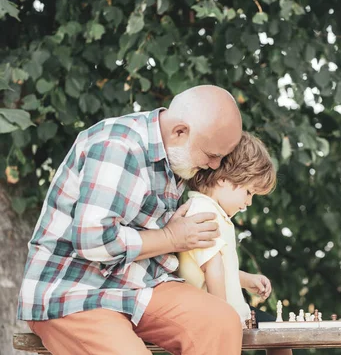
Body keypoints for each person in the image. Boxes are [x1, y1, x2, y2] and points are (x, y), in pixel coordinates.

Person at [17, 85, 245, 354]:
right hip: (73, 291)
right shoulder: (119, 145)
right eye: (212, 155)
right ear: (180, 131)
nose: (215, 166)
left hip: (139, 286)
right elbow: (92, 241)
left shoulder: (177, 155)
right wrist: (172, 238)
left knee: (221, 322)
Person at [179, 131, 292, 355]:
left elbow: (217, 265)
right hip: (216, 313)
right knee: (279, 338)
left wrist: (246, 279)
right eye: (248, 192)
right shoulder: (204, 212)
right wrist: (221, 318)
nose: (248, 202)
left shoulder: (215, 212)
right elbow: (213, 269)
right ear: (223, 178)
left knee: (281, 337)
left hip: (230, 310)